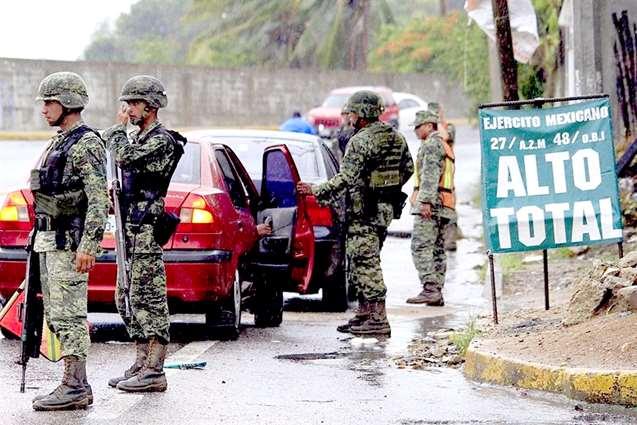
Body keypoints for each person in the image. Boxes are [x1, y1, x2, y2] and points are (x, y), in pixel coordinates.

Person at [297, 90, 413, 336]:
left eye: (351, 113)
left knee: (366, 263)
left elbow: (346, 178)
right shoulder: (396, 137)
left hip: (364, 211)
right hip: (384, 210)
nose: (348, 117)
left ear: (362, 114)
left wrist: (315, 190)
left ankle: (378, 319)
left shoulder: (360, 141)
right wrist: (386, 189)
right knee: (363, 260)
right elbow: (408, 169)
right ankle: (364, 314)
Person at [31, 72, 109, 411]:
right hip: (50, 240)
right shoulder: (60, 141)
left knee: (70, 316)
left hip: (68, 243)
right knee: (56, 315)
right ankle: (75, 383)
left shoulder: (86, 143)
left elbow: (98, 199)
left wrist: (89, 245)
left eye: (49, 102)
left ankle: (75, 385)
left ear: (67, 103)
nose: (44, 109)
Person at [104, 75, 184, 393]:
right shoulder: (138, 137)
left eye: (134, 104)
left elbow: (124, 157)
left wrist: (116, 129)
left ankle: (154, 369)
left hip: (147, 232)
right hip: (130, 231)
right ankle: (141, 362)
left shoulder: (161, 141)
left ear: (150, 106)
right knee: (126, 298)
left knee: (148, 299)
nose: (128, 110)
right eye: (127, 104)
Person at [407, 110, 456, 306]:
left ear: (429, 125)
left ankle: (430, 288)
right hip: (445, 204)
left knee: (420, 246)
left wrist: (425, 201)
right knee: (437, 249)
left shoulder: (431, 145)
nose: (415, 131)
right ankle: (436, 291)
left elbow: (430, 174)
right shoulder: (443, 144)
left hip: (432, 204)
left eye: (418, 127)